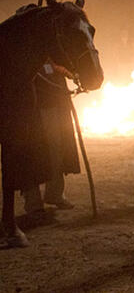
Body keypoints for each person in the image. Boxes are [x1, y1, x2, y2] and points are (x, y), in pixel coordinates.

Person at [21, 62, 79, 214]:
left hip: (53, 103)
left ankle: (55, 194)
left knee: (56, 147)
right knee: (31, 151)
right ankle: (33, 200)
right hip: (32, 107)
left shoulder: (51, 48)